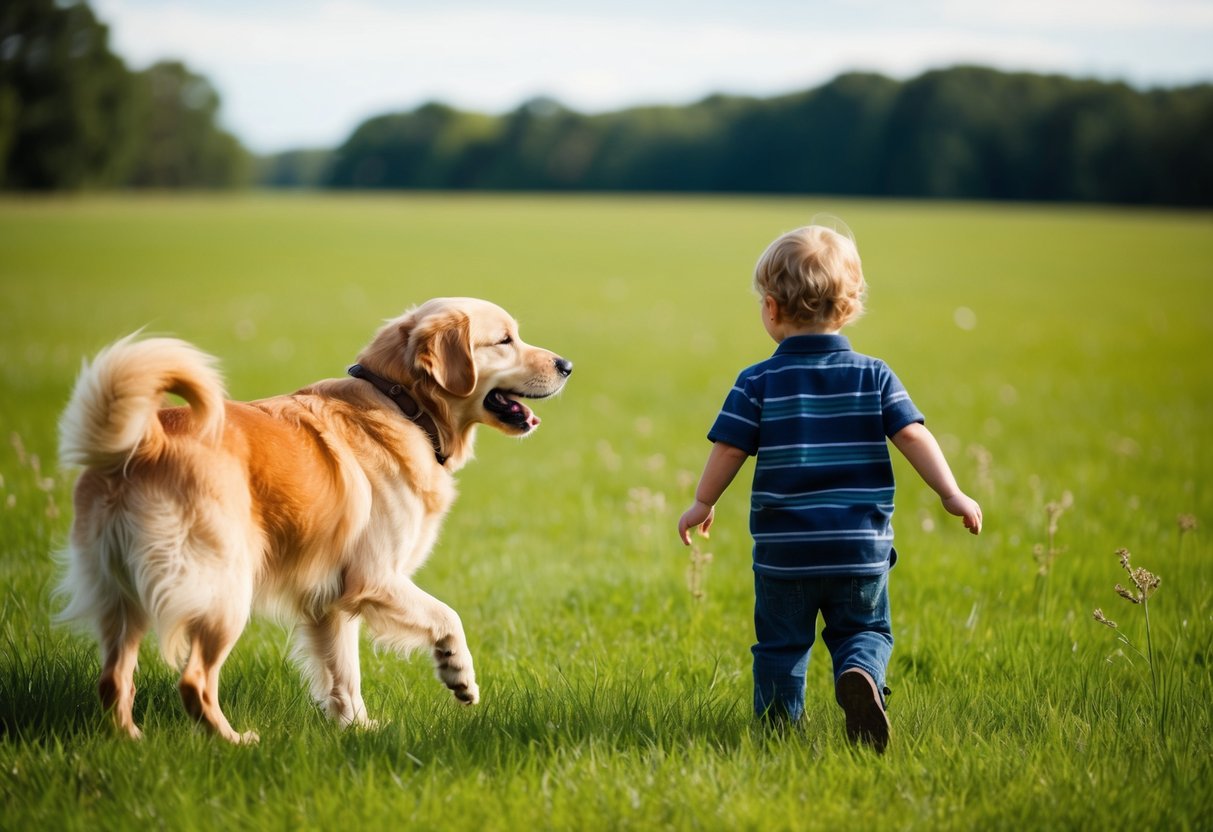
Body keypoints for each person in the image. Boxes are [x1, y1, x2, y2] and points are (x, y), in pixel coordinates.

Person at [677, 224, 982, 752]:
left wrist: (704, 501)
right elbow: (913, 434)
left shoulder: (757, 382)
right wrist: (951, 493)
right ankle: (860, 674)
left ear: (771, 309)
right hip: (858, 551)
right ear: (851, 306)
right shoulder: (876, 376)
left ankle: (779, 730)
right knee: (864, 630)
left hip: (784, 554)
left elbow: (729, 448)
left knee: (781, 645)